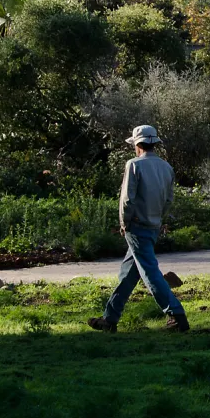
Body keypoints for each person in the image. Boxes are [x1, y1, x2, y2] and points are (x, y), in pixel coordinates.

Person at [88, 125, 189, 332]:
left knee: (150, 273)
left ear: (138, 144)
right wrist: (158, 218)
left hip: (136, 225)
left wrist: (124, 223)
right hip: (153, 225)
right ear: (154, 144)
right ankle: (109, 319)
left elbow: (127, 199)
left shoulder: (134, 165)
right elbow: (169, 200)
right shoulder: (166, 167)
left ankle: (176, 314)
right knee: (128, 273)